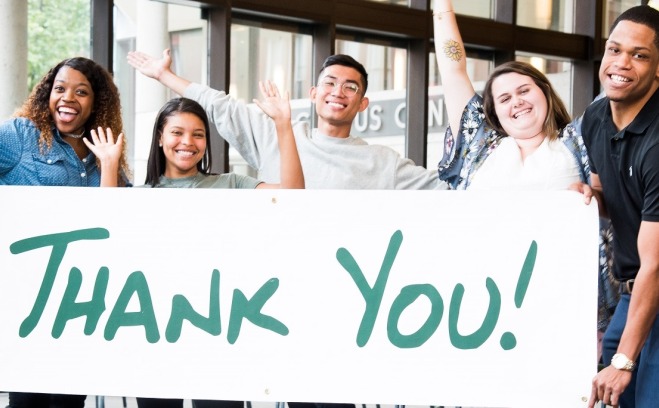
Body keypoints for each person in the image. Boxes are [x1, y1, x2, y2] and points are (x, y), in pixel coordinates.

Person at [432, 0, 618, 363]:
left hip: (561, 302)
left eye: (524, 90)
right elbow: (452, 69)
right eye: (503, 98)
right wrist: (441, 7)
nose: (515, 101)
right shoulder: (479, 145)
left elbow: (617, 85)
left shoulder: (579, 138)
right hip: (484, 300)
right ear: (494, 112)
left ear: (545, 92)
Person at [134, 83, 302, 408]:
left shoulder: (231, 184)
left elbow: (293, 197)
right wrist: (110, 166)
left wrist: (283, 126)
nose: (188, 142)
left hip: (219, 333)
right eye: (177, 133)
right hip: (154, 335)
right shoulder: (140, 195)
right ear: (159, 137)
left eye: (198, 134)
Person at [127, 49, 447, 191]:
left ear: (363, 103)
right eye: (330, 83)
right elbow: (219, 104)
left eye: (350, 87)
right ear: (313, 93)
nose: (338, 92)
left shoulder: (384, 163)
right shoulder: (278, 133)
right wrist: (165, 76)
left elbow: (445, 188)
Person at [0, 57, 130, 407]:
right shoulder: (21, 136)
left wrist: (109, 165)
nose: (67, 97)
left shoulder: (105, 154)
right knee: (28, 400)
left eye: (81, 92)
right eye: (60, 88)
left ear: (96, 102)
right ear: (48, 94)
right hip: (29, 297)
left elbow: (118, 228)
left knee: (69, 401)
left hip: (80, 303)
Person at [570, 6, 659, 408]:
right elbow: (615, 197)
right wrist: (589, 199)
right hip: (632, 291)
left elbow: (656, 263)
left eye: (639, 55)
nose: (622, 63)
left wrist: (624, 360)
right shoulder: (595, 116)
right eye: (614, 50)